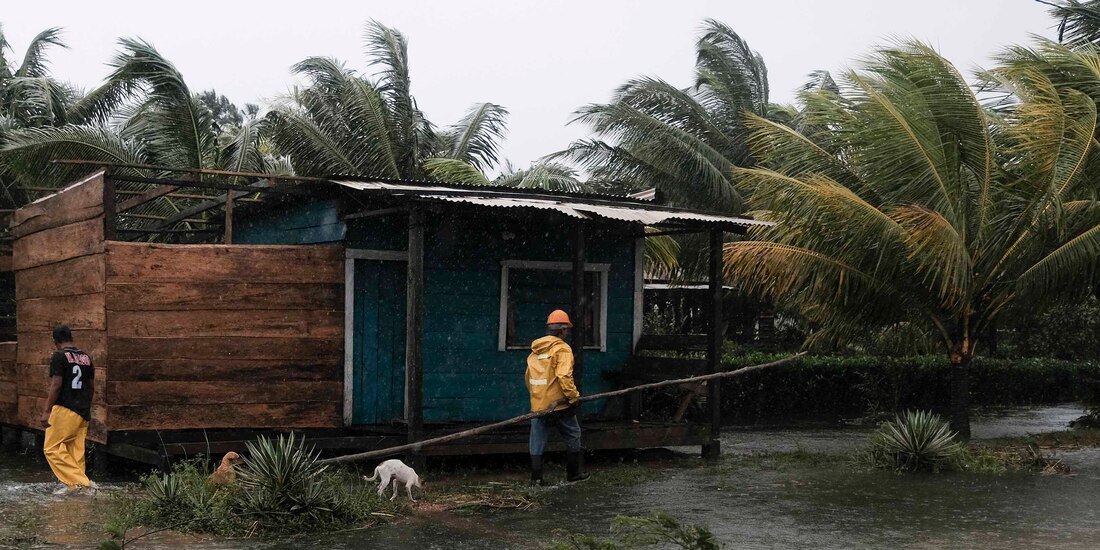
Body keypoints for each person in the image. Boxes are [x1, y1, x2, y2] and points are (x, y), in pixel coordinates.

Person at [525, 309, 589, 484]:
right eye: (566, 329)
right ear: (562, 330)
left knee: (537, 441)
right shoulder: (562, 349)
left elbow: (528, 378)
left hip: (538, 405)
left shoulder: (535, 351)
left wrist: (538, 397)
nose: (566, 333)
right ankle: (573, 474)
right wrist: (573, 397)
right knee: (573, 434)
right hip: (559, 404)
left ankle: (536, 478)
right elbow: (564, 376)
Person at [39, 325, 94, 491]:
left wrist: (47, 411)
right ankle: (75, 490)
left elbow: (56, 385)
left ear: (55, 341)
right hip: (82, 411)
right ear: (71, 337)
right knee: (75, 451)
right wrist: (86, 408)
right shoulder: (86, 357)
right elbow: (91, 386)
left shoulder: (59, 356)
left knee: (51, 448)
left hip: (65, 408)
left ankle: (82, 483)